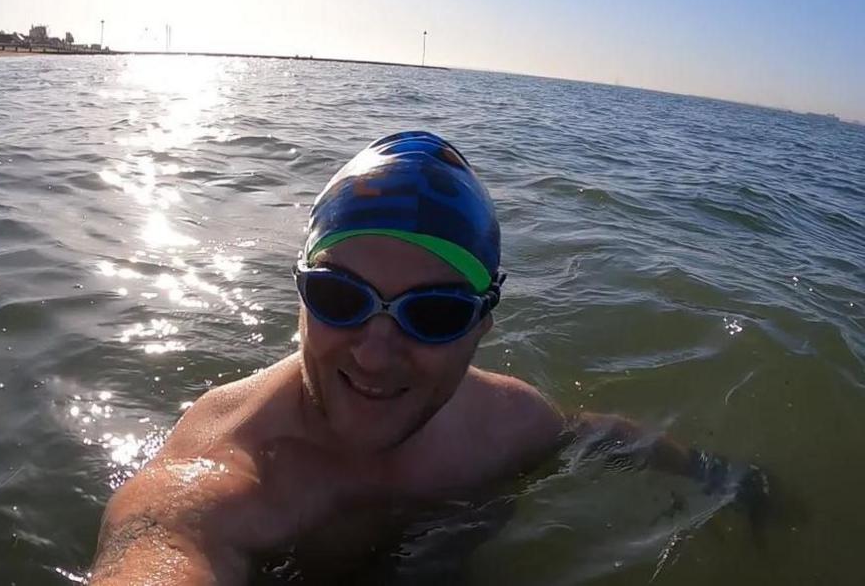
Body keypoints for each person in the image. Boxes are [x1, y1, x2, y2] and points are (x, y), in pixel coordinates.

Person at [91, 131, 770, 584]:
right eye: (338, 296)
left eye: (434, 312)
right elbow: (159, 548)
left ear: (483, 325)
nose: (377, 350)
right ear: (298, 294)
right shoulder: (214, 481)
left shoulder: (507, 421)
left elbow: (591, 433)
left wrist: (720, 474)